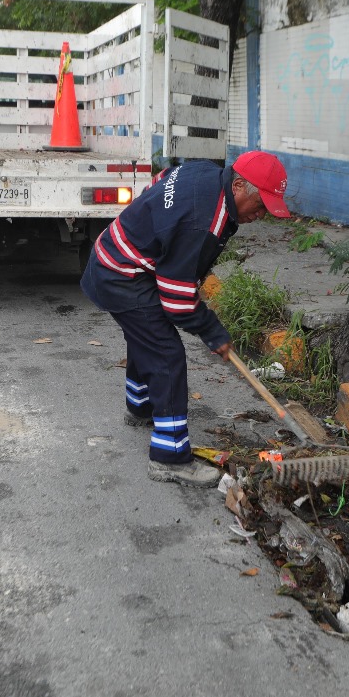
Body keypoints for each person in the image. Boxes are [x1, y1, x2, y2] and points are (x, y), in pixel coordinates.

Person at [80, 151, 292, 487]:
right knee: (166, 354)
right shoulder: (201, 221)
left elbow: (161, 181)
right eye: (260, 204)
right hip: (121, 274)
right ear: (238, 186)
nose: (262, 214)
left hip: (120, 257)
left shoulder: (205, 172)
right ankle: (170, 459)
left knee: (147, 336)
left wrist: (157, 233)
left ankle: (140, 408)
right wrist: (213, 333)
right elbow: (177, 301)